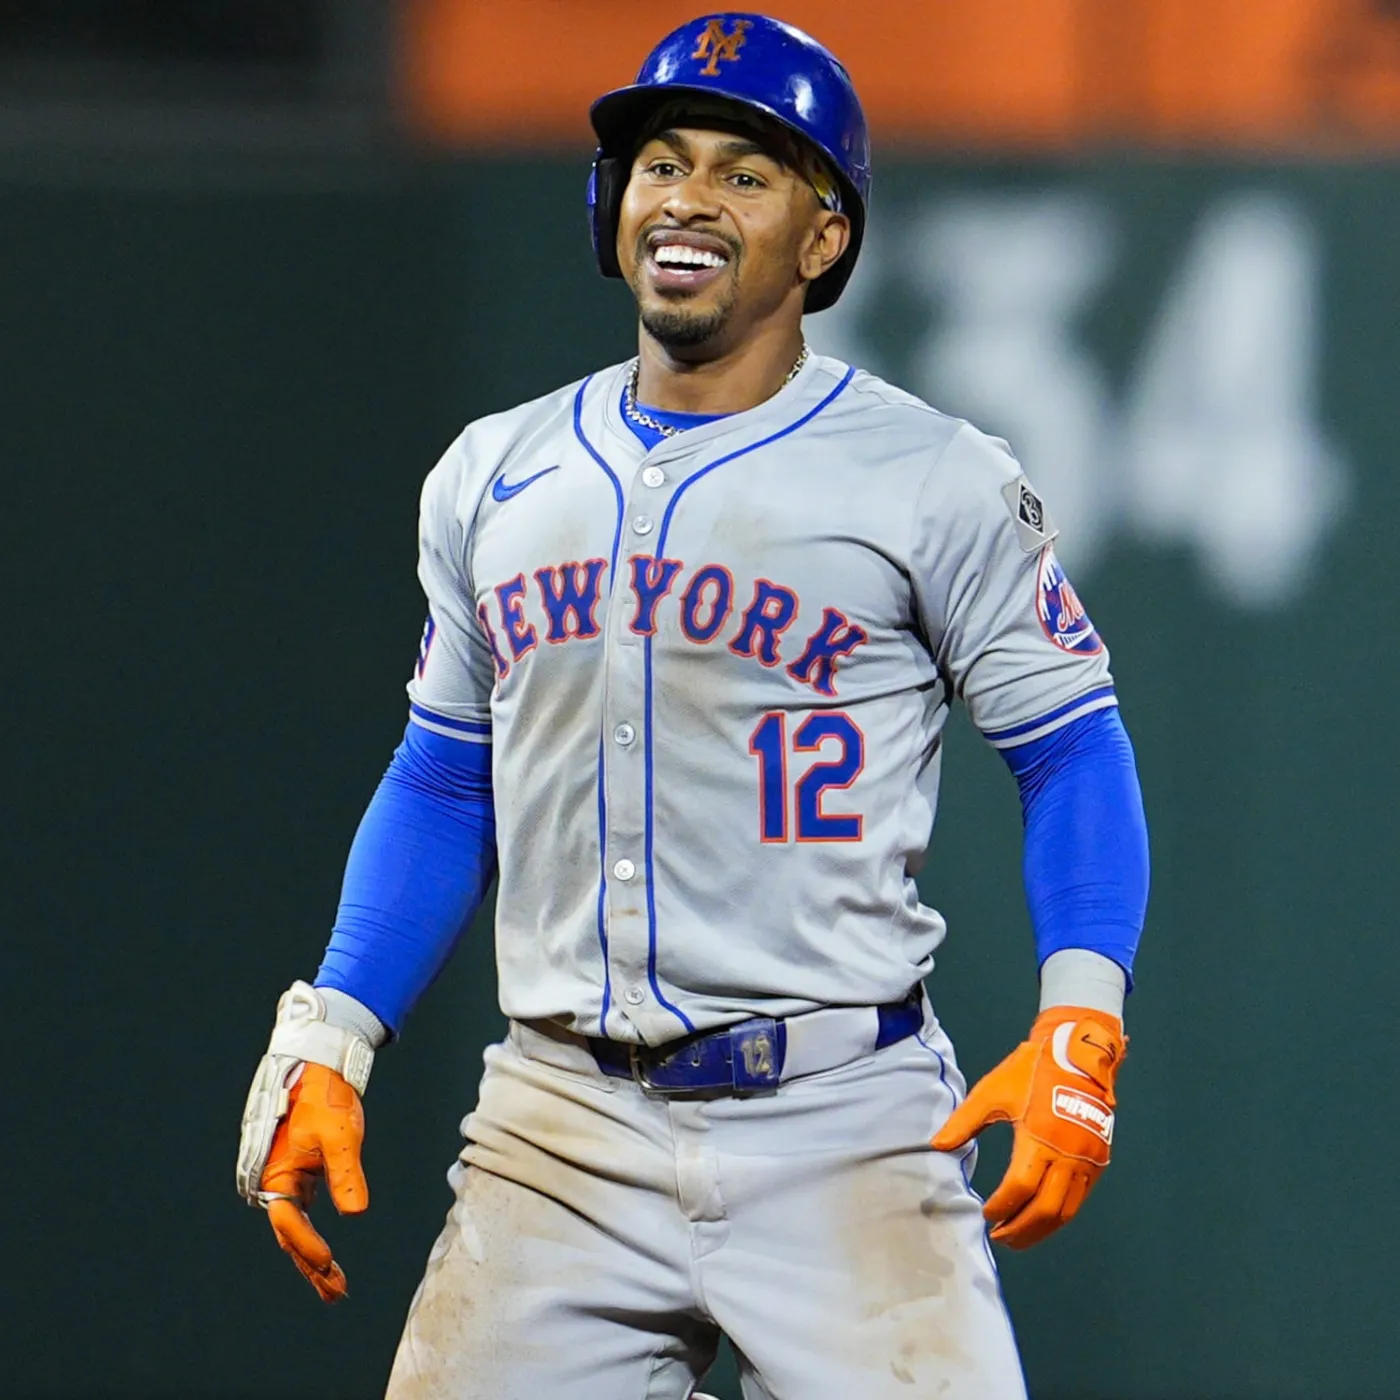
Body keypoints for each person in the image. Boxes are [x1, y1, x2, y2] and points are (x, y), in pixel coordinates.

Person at [236, 13, 1149, 1399]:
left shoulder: (934, 476)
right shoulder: (494, 471)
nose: (689, 199)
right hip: (559, 1125)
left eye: (745, 173)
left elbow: (1072, 749)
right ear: (613, 206)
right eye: (663, 163)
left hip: (844, 1119)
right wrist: (337, 1024)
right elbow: (444, 776)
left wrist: (1080, 1016)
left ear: (824, 238)